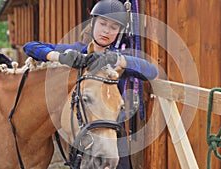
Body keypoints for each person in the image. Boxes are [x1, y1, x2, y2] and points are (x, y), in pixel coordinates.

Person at [23, 0, 158, 168]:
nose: (106, 31)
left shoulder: (120, 59)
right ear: (93, 23)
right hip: (84, 133)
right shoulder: (78, 51)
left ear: (119, 32)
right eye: (103, 24)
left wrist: (115, 59)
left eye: (114, 27)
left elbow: (152, 71)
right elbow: (30, 47)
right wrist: (59, 57)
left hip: (112, 134)